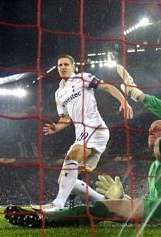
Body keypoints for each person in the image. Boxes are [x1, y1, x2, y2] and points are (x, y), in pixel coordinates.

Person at [4, 65, 161, 227]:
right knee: (104, 209)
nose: (152, 131)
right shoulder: (154, 171)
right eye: (150, 130)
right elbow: (150, 202)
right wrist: (120, 197)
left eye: (158, 127)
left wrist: (135, 94)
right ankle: (45, 219)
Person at [35, 55, 133, 212]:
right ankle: (105, 201)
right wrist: (56, 128)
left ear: (73, 67)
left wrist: (123, 100)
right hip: (81, 134)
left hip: (95, 128)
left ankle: (57, 204)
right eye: (60, 65)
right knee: (65, 181)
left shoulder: (83, 78)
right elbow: (66, 118)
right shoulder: (59, 94)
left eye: (66, 64)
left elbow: (107, 87)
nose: (63, 67)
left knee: (71, 157)